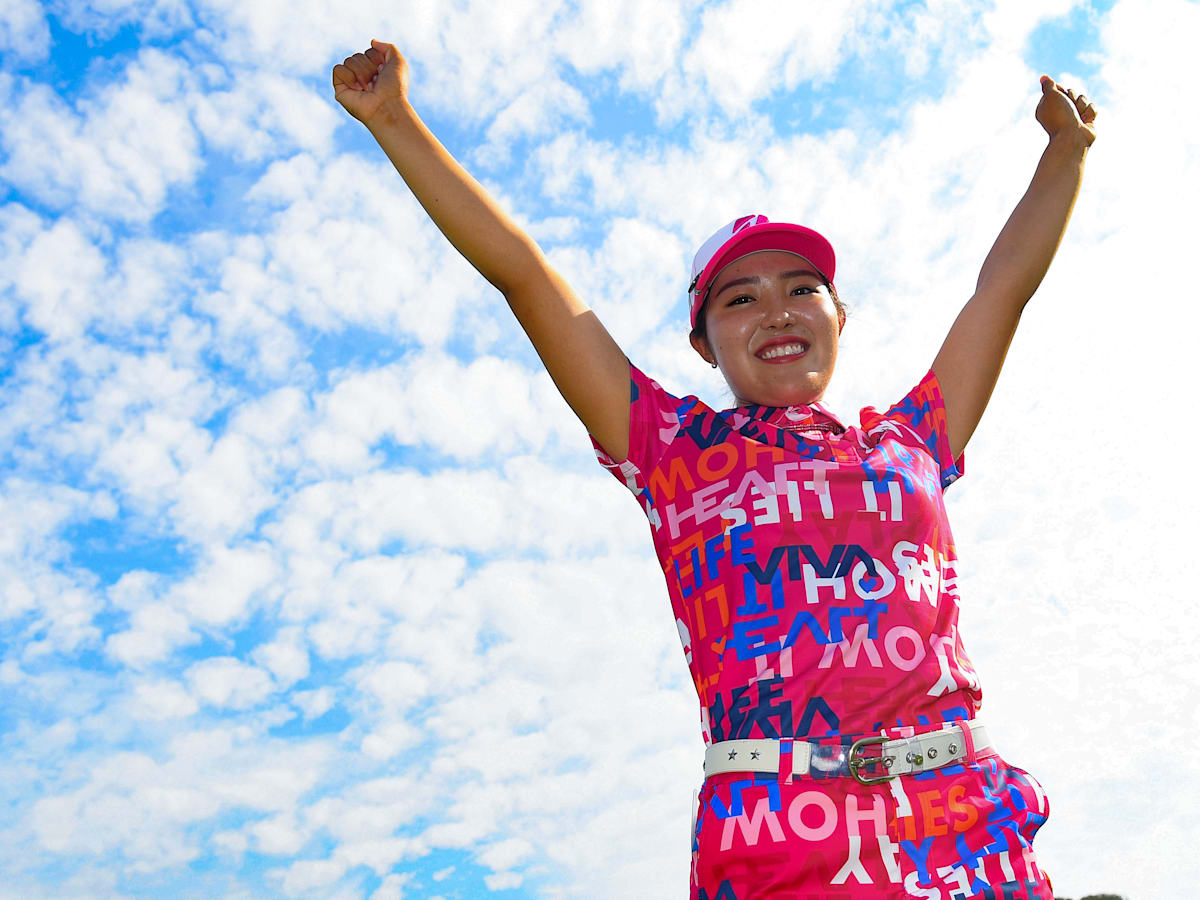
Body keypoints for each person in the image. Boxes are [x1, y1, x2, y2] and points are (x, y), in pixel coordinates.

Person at [333, 39, 1096, 900]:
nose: (775, 307)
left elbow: (1002, 289)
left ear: (838, 315)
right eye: (739, 298)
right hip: (778, 835)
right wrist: (394, 119)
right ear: (704, 344)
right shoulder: (672, 450)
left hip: (962, 817)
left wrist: (1066, 151)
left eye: (801, 287)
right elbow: (526, 277)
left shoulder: (913, 440)